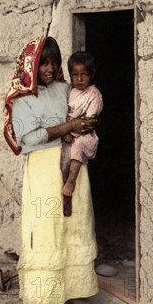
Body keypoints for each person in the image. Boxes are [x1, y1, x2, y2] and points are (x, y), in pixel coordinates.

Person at [3, 36, 99, 304]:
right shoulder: (22, 99)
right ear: (32, 65)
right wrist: (67, 125)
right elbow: (28, 139)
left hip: (71, 163)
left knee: (76, 223)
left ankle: (76, 290)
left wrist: (84, 124)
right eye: (43, 62)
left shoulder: (65, 88)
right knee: (48, 227)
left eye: (54, 62)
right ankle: (45, 294)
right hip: (44, 168)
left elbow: (85, 114)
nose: (49, 68)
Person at [60, 52, 103, 217]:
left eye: (84, 74)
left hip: (85, 137)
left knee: (77, 147)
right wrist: (65, 132)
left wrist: (71, 133)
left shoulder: (94, 95)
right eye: (75, 75)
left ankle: (71, 183)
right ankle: (65, 199)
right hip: (68, 133)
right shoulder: (70, 91)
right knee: (62, 159)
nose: (79, 79)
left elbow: (88, 122)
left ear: (91, 75)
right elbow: (63, 112)